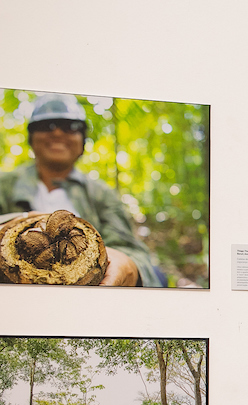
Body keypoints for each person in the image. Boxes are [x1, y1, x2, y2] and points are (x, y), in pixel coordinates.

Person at [0, 93, 162, 287]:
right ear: (32, 138)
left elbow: (132, 250)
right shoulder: (5, 185)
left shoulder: (101, 194)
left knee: (159, 275)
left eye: (70, 127)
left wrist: (130, 266)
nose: (58, 133)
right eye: (47, 126)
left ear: (82, 141)